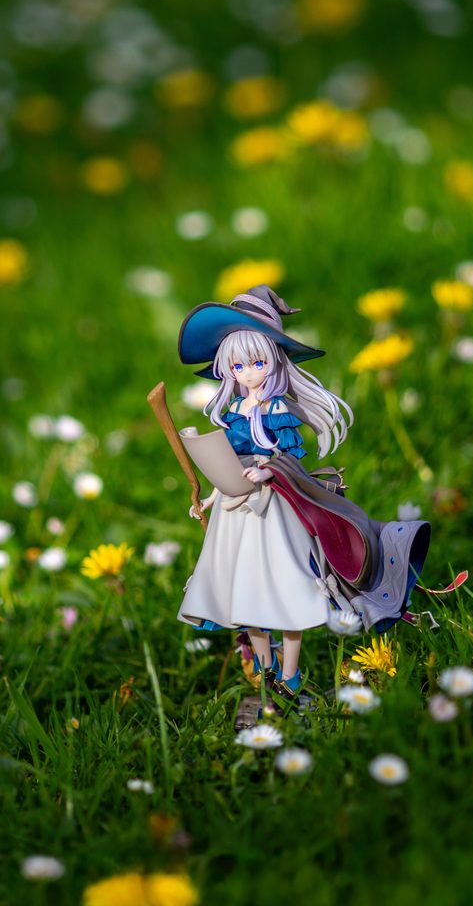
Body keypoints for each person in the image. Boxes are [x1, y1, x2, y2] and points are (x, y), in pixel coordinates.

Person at [174, 285, 354, 698]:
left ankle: (290, 673)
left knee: (287, 588)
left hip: (275, 512)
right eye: (238, 366)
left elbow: (291, 458)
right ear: (226, 370)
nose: (249, 373)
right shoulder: (234, 412)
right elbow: (227, 463)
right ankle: (266, 666)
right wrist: (210, 497)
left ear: (273, 361)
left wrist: (268, 471)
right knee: (243, 594)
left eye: (257, 362)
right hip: (234, 516)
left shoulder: (278, 410)